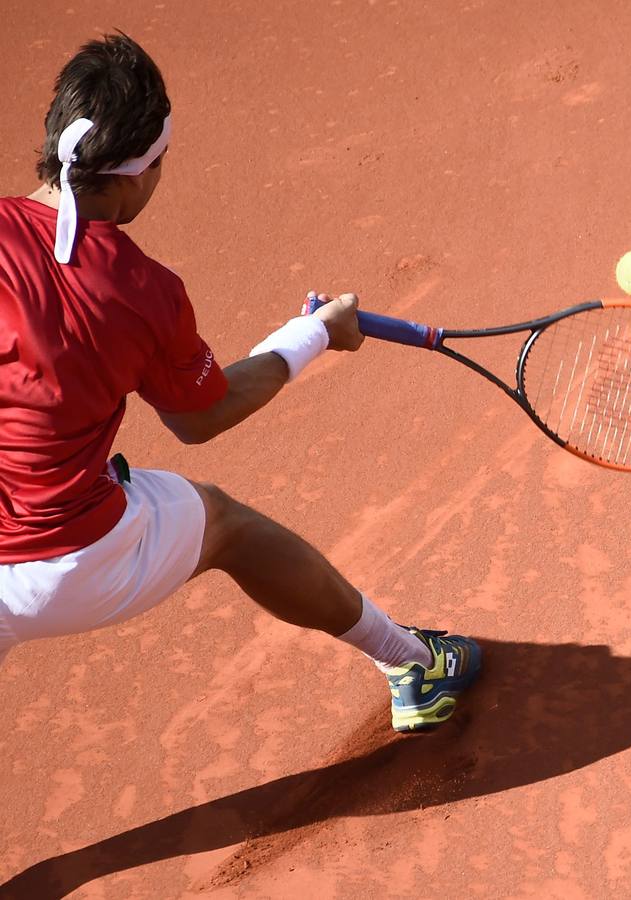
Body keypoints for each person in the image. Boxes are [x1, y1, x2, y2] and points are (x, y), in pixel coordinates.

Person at [0, 32, 481, 733]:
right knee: (227, 525)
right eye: (161, 163)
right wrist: (314, 333)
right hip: (67, 561)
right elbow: (202, 416)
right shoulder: (140, 288)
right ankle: (413, 662)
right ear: (133, 174)